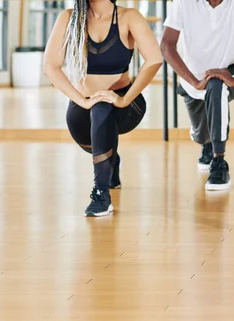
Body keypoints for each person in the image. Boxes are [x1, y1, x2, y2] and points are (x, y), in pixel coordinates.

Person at [44, 0, 162, 217]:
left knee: (101, 109)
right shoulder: (69, 18)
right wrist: (83, 101)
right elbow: (50, 66)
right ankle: (111, 162)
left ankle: (101, 193)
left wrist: (124, 99)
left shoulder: (129, 17)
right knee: (94, 126)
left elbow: (154, 59)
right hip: (83, 104)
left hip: (126, 105)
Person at [160, 0, 234, 191]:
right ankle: (206, 143)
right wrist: (194, 81)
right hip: (192, 79)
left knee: (216, 85)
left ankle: (219, 162)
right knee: (202, 135)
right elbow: (166, 45)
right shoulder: (182, 3)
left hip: (229, 73)